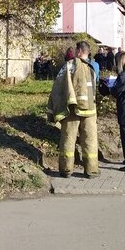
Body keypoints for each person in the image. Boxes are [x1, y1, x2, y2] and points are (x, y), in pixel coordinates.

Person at [47, 41, 99, 178]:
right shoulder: (93, 67)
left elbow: (59, 84)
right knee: (90, 140)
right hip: (90, 110)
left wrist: (54, 106)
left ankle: (66, 169)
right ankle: (91, 170)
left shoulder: (71, 64)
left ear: (79, 51)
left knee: (68, 139)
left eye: (77, 50)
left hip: (72, 110)